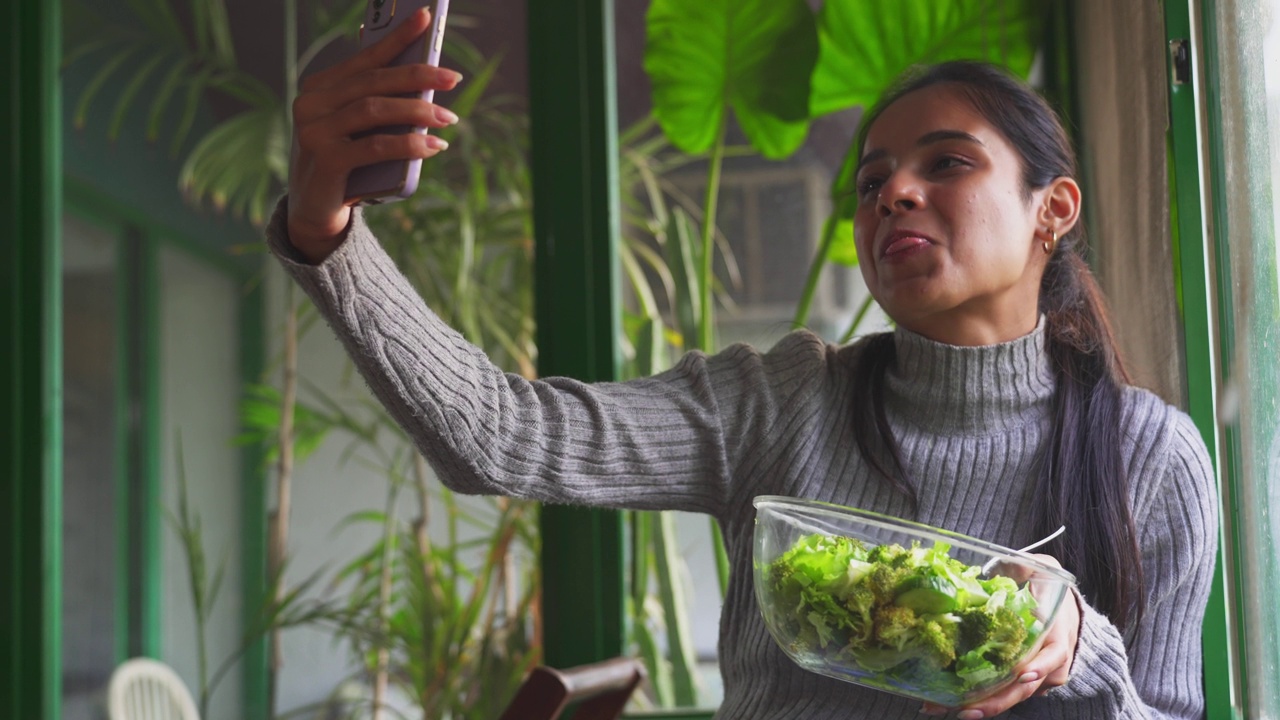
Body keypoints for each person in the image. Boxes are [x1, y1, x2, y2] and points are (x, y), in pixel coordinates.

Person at [271, 9, 1219, 719]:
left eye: (948, 164)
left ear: (1054, 208)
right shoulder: (785, 402)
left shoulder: (1151, 459)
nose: (894, 191)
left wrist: (1080, 648)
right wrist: (324, 228)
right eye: (873, 179)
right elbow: (500, 437)